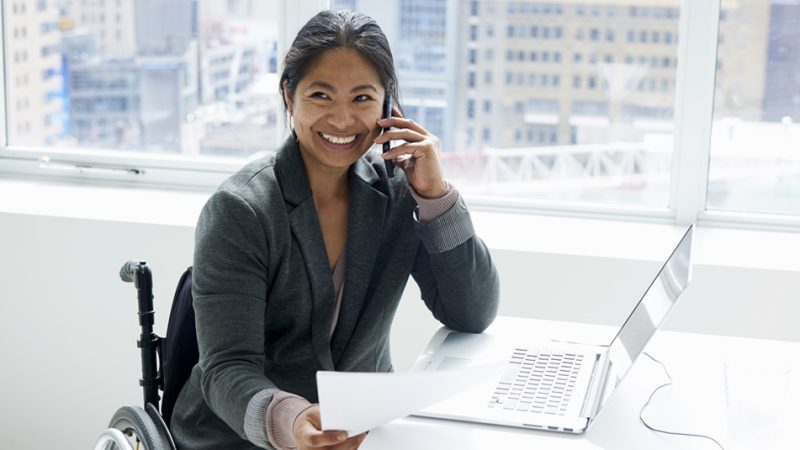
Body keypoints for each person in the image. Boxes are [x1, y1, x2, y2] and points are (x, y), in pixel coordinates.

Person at [170, 9, 499, 450]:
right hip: (241, 439)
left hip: (364, 432)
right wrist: (293, 421)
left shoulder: (400, 190)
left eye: (362, 98)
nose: (342, 120)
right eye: (321, 96)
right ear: (289, 96)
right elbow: (227, 367)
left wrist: (436, 196)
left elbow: (470, 313)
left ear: (387, 105)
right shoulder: (240, 210)